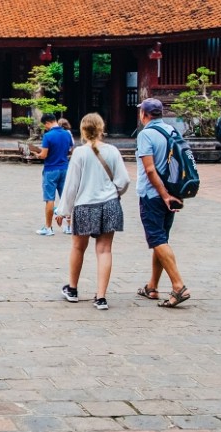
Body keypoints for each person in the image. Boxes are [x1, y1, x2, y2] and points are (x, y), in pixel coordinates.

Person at [54, 113, 131, 310]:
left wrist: (63, 210)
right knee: (104, 250)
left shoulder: (80, 153)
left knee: (78, 247)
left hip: (85, 205)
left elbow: (71, 185)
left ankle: (72, 289)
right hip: (110, 204)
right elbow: (124, 180)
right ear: (101, 128)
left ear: (83, 130)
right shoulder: (113, 151)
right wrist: (113, 192)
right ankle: (101, 297)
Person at [135, 98, 191, 308]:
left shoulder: (146, 134)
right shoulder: (172, 131)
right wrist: (171, 194)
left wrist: (163, 194)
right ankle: (152, 286)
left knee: (157, 238)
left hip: (154, 195)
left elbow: (150, 169)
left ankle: (178, 286)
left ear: (145, 114)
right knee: (161, 239)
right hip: (174, 192)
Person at [29, 113, 73, 236]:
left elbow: (44, 155)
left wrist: (36, 154)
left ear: (48, 122)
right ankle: (68, 226)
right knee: (66, 197)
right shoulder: (66, 134)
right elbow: (70, 150)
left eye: (45, 125)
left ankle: (48, 228)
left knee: (50, 199)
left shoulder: (48, 136)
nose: (45, 127)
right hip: (65, 168)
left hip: (51, 169)